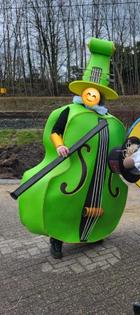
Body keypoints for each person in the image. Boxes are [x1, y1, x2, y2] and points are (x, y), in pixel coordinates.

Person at [17, 38, 129, 259]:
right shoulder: (68, 112)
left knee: (99, 197)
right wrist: (59, 146)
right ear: (84, 91)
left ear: (102, 95)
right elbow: (55, 132)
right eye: (90, 91)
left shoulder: (110, 119)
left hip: (100, 174)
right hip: (75, 172)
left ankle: (96, 231)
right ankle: (57, 238)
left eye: (97, 92)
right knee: (62, 200)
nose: (93, 95)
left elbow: (118, 148)